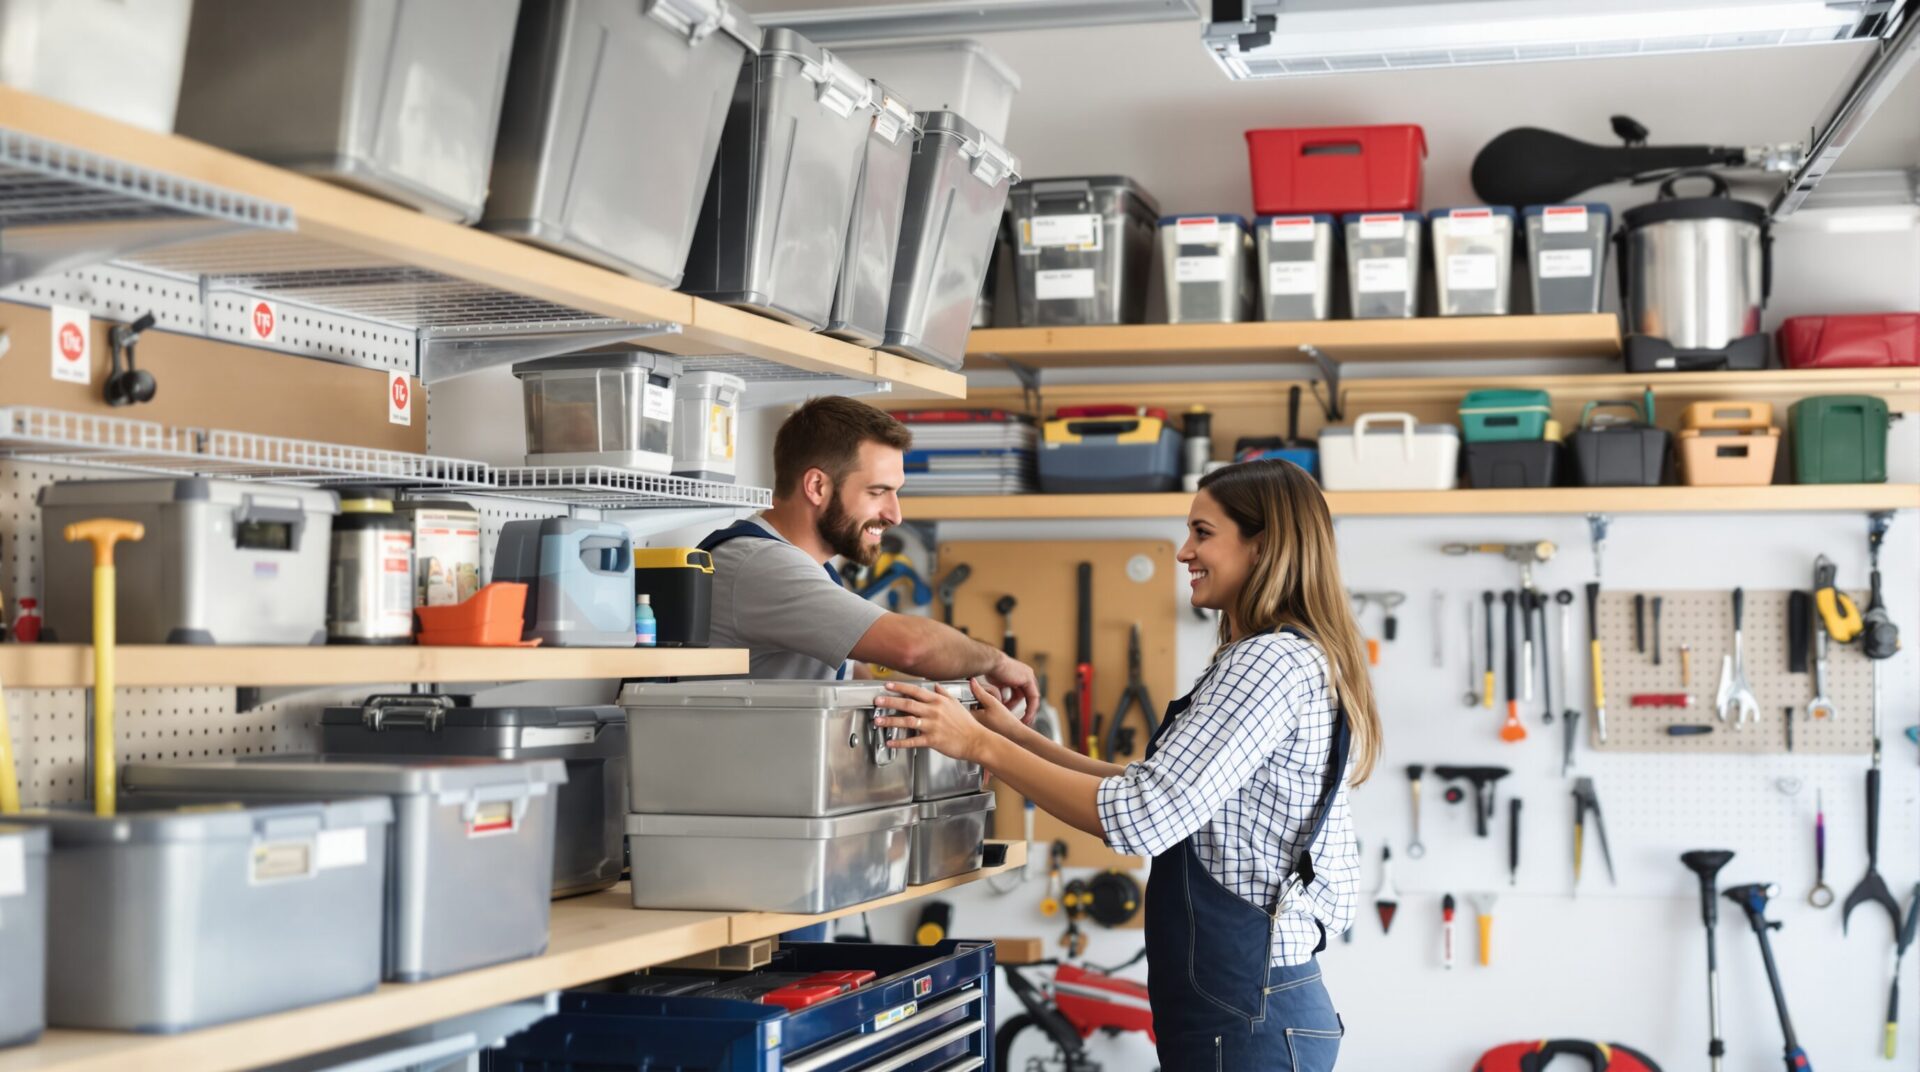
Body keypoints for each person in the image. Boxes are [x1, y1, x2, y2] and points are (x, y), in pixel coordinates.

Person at [872, 459, 1379, 1071]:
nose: (1184, 552)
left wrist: (978, 747)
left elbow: (1144, 818)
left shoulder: (1267, 661)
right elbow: (1154, 789)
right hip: (1253, 1001)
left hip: (1248, 1008)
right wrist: (1011, 737)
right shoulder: (1292, 656)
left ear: (1262, 544)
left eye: (1203, 533)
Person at [698, 395, 1039, 713]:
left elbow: (856, 675)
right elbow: (912, 647)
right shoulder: (759, 563)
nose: (895, 515)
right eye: (878, 492)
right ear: (817, 486)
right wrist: (995, 661)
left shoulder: (809, 568)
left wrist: (953, 695)